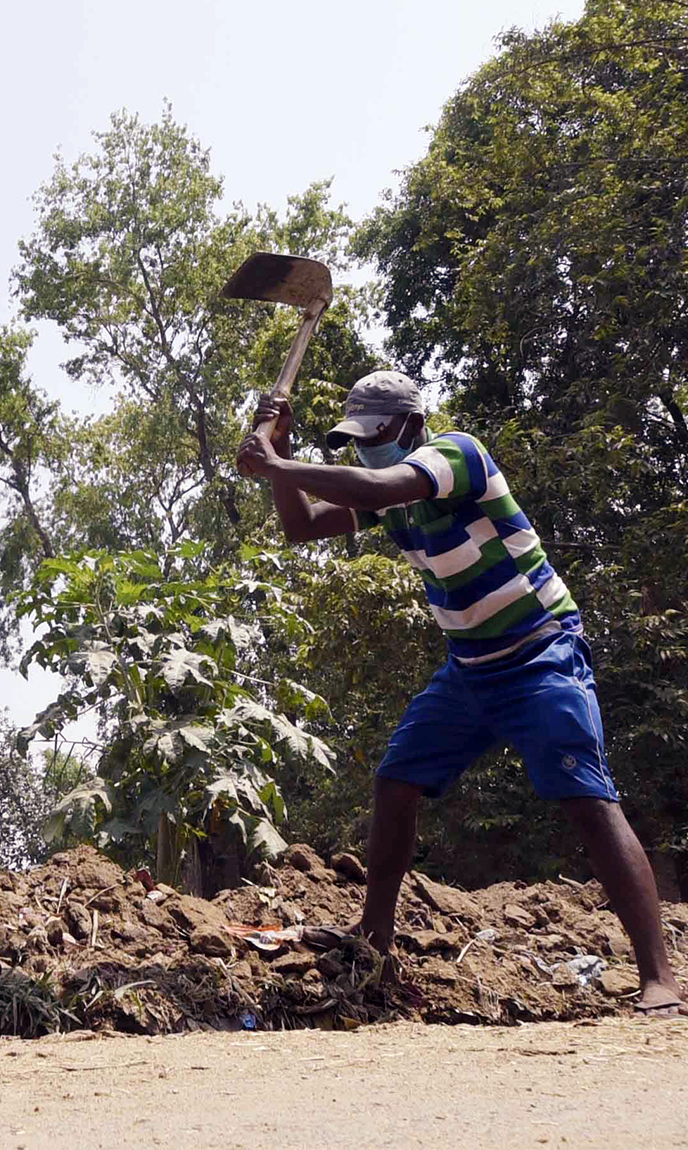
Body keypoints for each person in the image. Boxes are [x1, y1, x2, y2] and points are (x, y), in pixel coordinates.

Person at [237, 369, 684, 1018]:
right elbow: (302, 529)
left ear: (413, 427)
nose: (366, 448)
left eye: (376, 434)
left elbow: (379, 482)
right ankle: (375, 942)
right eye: (356, 439)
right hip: (471, 669)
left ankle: (659, 978)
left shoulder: (455, 454)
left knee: (586, 798)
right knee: (396, 782)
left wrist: (280, 459)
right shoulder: (389, 497)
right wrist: (278, 457)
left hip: (540, 655)